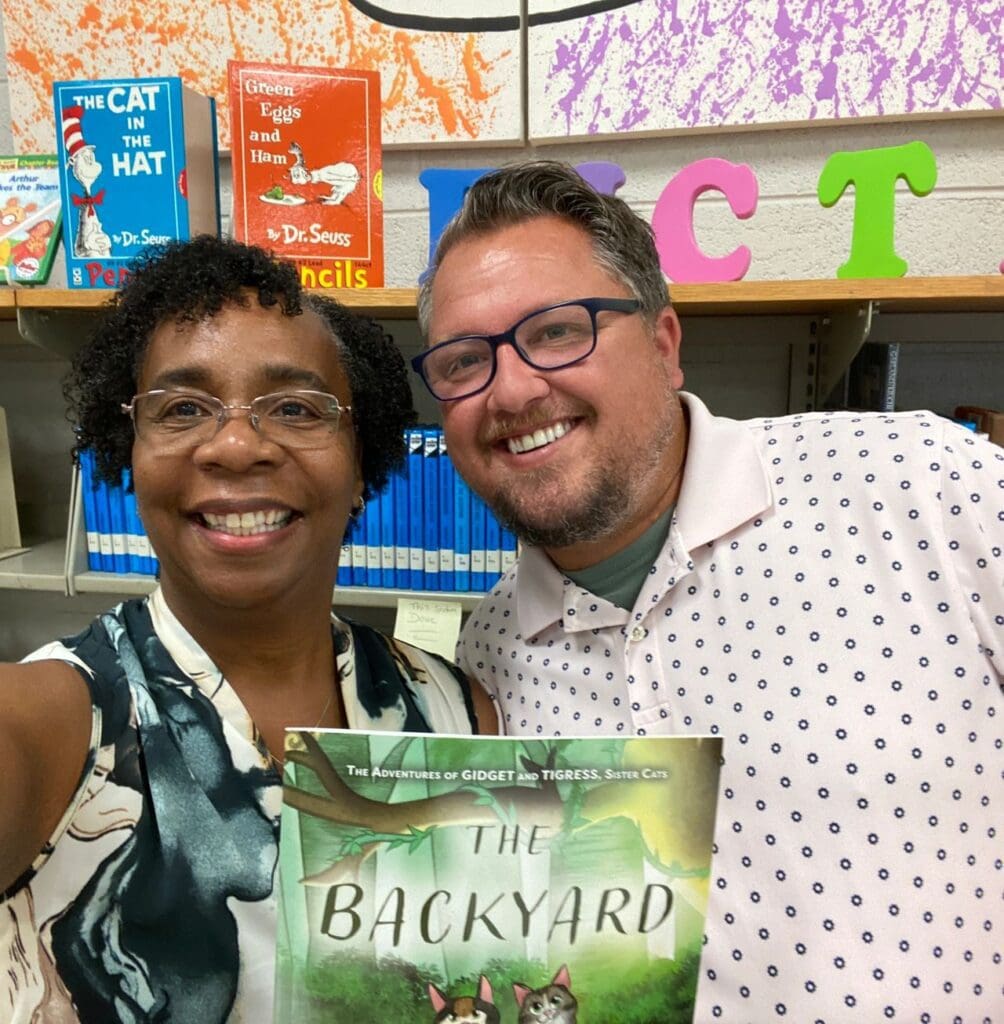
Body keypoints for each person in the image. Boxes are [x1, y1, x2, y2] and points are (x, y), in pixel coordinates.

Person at [413, 161, 1002, 1021]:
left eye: (555, 332)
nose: (512, 389)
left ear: (663, 341)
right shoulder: (488, 655)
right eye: (465, 361)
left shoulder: (927, 486)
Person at [0, 236, 496, 1024]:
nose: (236, 445)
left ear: (361, 460)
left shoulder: (457, 711)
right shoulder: (57, 716)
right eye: (183, 408)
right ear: (126, 452)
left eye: (297, 408)